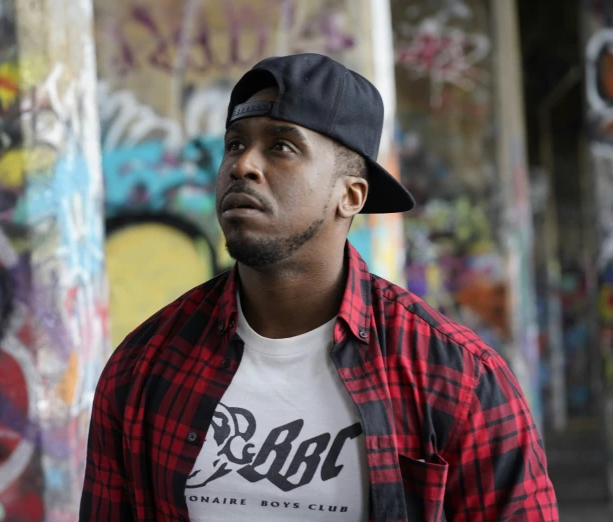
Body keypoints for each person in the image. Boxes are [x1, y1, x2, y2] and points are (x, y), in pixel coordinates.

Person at [80, 53, 557, 522]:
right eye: (234, 143)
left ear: (349, 196)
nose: (242, 164)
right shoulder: (144, 368)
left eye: (281, 146)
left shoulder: (456, 378)